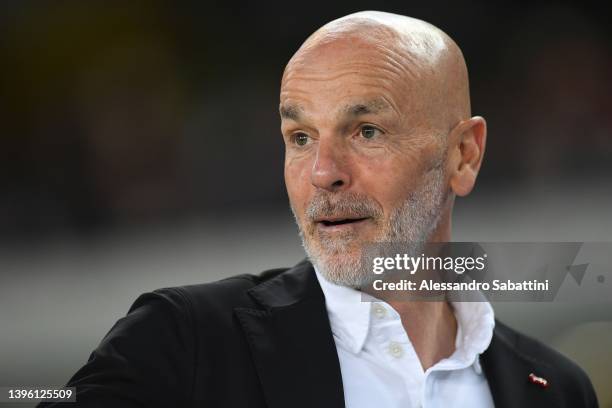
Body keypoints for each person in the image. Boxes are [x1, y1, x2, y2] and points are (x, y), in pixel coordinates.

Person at [40, 11, 598, 408]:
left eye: (367, 131)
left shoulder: (555, 388)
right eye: (301, 137)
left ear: (463, 155)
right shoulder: (181, 344)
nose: (323, 172)